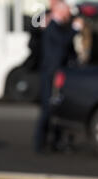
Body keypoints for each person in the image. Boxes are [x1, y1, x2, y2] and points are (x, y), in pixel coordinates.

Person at [34, 1, 83, 153]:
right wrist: (75, 29)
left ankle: (55, 141)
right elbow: (62, 45)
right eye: (67, 12)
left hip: (56, 73)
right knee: (48, 108)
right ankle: (40, 143)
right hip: (51, 74)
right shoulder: (52, 26)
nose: (69, 15)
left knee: (56, 108)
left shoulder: (58, 26)